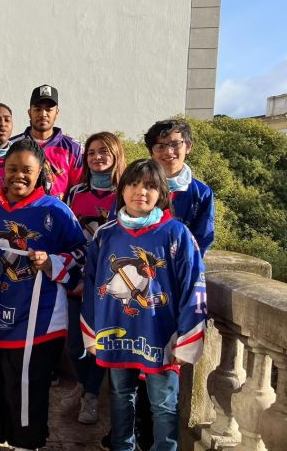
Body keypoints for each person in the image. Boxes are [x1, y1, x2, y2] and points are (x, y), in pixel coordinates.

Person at [0, 139, 86, 451]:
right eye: (12, 169)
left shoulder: (57, 212)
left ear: (40, 172)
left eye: (27, 170)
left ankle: (25, 442)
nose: (19, 175)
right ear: (2, 171)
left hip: (38, 318)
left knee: (27, 386)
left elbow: (82, 256)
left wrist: (51, 262)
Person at [81, 159, 207, 451]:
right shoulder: (105, 235)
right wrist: (91, 333)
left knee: (164, 403)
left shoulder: (177, 234)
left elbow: (194, 289)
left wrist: (186, 341)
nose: (141, 191)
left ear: (161, 193)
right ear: (122, 189)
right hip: (115, 332)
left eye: (150, 185)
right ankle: (122, 446)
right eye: (134, 184)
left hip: (161, 335)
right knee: (120, 395)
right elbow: (90, 286)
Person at [63, 132, 126, 425]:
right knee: (75, 343)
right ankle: (82, 383)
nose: (97, 157)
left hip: (110, 280)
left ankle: (89, 395)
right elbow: (67, 234)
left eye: (104, 151)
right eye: (91, 152)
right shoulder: (76, 192)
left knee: (99, 340)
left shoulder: (126, 191)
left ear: (115, 155)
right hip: (77, 277)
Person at [144, 119, 215, 256]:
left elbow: (203, 238)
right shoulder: (135, 187)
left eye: (175, 144)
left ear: (188, 147)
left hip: (180, 269)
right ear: (151, 152)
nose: (168, 152)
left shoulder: (201, 193)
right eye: (160, 146)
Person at [11, 84, 83, 201]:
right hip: (21, 215)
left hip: (59, 215)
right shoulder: (13, 146)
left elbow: (78, 191)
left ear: (57, 112)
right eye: (38, 109)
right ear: (29, 112)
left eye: (49, 109)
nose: (43, 114)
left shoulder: (74, 148)